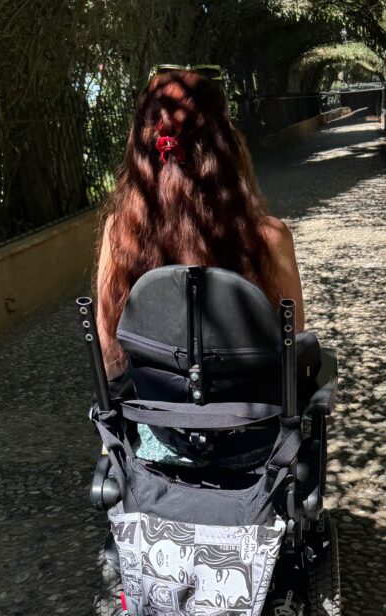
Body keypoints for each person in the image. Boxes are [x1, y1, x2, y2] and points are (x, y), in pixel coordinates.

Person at [95, 68, 305, 381]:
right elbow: (293, 346)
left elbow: (109, 357)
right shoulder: (269, 238)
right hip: (255, 409)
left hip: (157, 409)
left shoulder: (120, 234)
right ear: (224, 145)